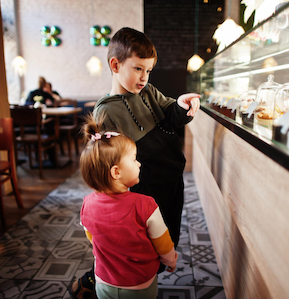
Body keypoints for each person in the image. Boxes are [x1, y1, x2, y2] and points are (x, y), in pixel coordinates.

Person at [69, 27, 200, 298]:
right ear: (115, 65)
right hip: (145, 186)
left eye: (149, 70)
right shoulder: (107, 110)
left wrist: (182, 105)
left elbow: (170, 114)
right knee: (140, 244)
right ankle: (95, 282)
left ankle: (144, 276)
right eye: (138, 69)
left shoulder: (149, 92)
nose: (144, 77)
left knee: (166, 235)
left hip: (170, 179)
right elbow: (108, 161)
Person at [68, 115, 178, 299]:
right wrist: (170, 259)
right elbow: (163, 242)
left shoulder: (87, 204)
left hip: (104, 281)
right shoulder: (146, 205)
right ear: (116, 172)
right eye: (134, 159)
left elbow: (92, 236)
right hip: (140, 284)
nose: (139, 163)